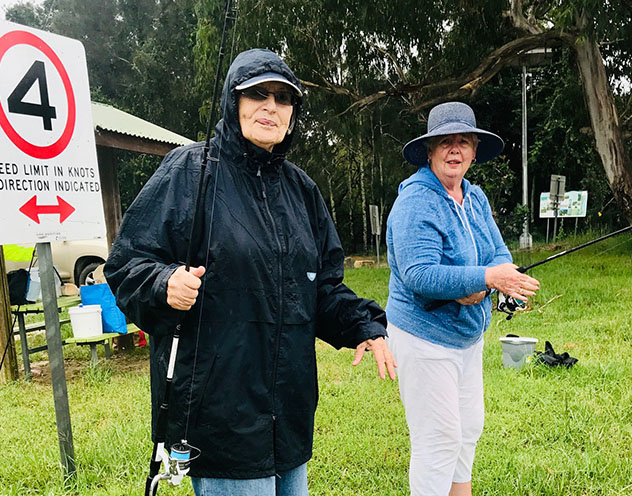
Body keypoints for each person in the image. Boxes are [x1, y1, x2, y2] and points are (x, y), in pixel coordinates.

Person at [105, 48, 396, 496]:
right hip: (218, 414)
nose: (270, 107)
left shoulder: (302, 191)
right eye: (257, 94)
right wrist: (165, 283)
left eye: (283, 98)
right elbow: (127, 264)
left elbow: (321, 288)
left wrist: (364, 325)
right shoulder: (188, 171)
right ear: (233, 101)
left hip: (289, 414)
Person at [385, 102, 540, 496]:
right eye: (445, 142)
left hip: (467, 337)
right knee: (438, 438)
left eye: (464, 142)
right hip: (424, 337)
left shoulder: (474, 197)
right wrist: (486, 277)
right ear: (430, 151)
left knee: (468, 428)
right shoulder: (415, 202)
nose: (455, 149)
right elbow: (419, 274)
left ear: (473, 152)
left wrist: (504, 279)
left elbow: (498, 252)